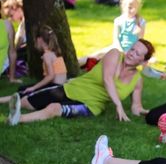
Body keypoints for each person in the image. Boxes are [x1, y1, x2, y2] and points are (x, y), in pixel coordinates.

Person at [7, 39, 154, 126]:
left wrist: (149, 112)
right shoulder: (115, 54)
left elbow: (136, 107)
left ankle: (16, 119)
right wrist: (118, 105)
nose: (131, 53)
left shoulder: (137, 80)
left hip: (89, 106)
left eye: (137, 53)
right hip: (70, 88)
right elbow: (107, 79)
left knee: (54, 108)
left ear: (144, 61)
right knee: (26, 102)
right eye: (132, 49)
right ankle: (9, 102)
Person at [0, 25, 66, 104]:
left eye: (35, 40)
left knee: (26, 92)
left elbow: (50, 76)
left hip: (55, 88)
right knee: (23, 88)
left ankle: (2, 100)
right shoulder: (54, 53)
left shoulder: (47, 55)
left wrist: (34, 87)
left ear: (39, 39)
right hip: (58, 87)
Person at [79, 0, 146, 69]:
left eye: (134, 8)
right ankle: (78, 63)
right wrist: (121, 50)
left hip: (131, 53)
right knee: (97, 55)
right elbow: (116, 41)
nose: (132, 10)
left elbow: (141, 41)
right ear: (123, 6)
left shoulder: (141, 22)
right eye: (129, 7)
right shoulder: (118, 21)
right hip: (117, 48)